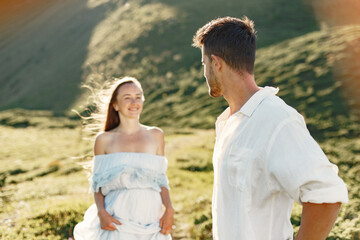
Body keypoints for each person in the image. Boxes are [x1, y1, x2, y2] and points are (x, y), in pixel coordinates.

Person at [192, 16, 348, 240]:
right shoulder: (228, 122)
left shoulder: (277, 119)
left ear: (216, 63)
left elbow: (327, 196)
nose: (204, 72)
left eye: (204, 64)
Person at [73, 77, 174, 240]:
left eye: (138, 96)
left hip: (151, 220)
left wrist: (169, 209)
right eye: (127, 98)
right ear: (115, 105)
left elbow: (161, 179)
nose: (134, 102)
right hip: (117, 221)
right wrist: (101, 213)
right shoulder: (104, 140)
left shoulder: (156, 135)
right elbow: (97, 185)